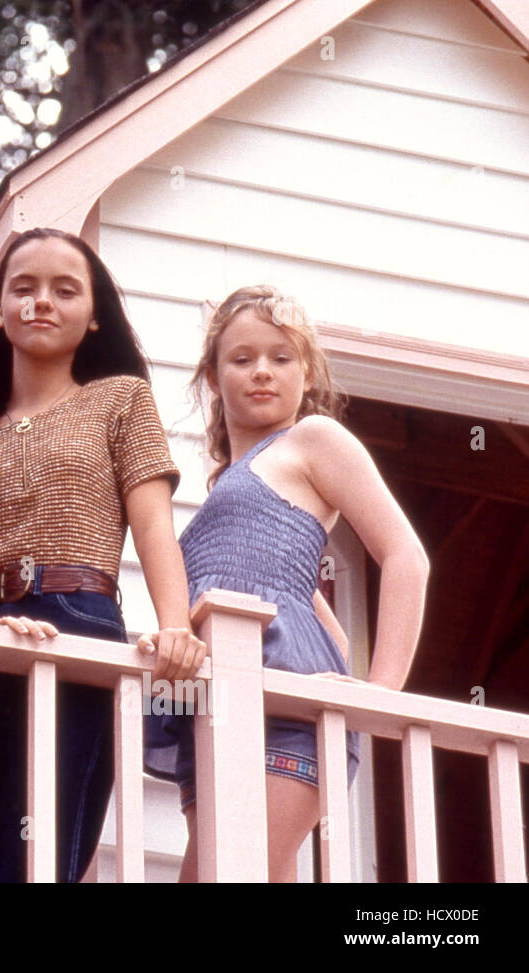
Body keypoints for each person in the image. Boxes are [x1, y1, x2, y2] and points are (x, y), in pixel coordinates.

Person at [0, 227, 206, 882]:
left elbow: (153, 528)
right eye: (22, 288)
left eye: (65, 290)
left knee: (35, 860)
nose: (41, 302)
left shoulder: (120, 400)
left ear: (94, 317)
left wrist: (175, 626)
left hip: (76, 623)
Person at [145, 285, 429, 882]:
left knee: (245, 866)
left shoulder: (314, 440)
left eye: (282, 357)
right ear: (214, 377)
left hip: (285, 711)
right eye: (242, 358)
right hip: (211, 703)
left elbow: (406, 556)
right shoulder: (227, 482)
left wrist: (378, 694)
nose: (262, 372)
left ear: (308, 372)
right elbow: (310, 609)